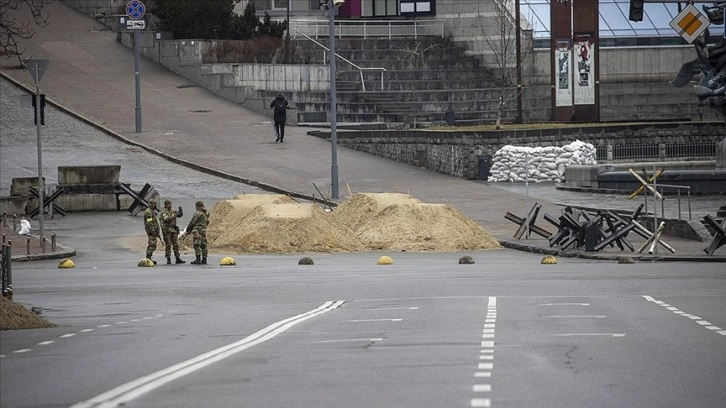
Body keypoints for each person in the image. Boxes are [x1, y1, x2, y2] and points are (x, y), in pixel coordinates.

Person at [160, 199, 185, 265]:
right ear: (165, 205)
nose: (170, 206)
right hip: (167, 230)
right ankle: (168, 258)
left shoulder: (172, 211)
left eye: (170, 204)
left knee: (176, 244)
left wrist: (180, 211)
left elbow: (179, 215)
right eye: (169, 205)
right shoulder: (163, 212)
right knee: (168, 245)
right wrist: (175, 215)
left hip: (173, 230)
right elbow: (166, 219)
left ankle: (177, 258)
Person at [143, 198, 163, 265]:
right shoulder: (148, 212)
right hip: (152, 232)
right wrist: (153, 231)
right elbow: (150, 222)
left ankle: (149, 258)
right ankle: (148, 258)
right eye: (154, 204)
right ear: (150, 204)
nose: (155, 205)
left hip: (153, 231)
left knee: (152, 244)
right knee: (152, 245)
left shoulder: (151, 211)